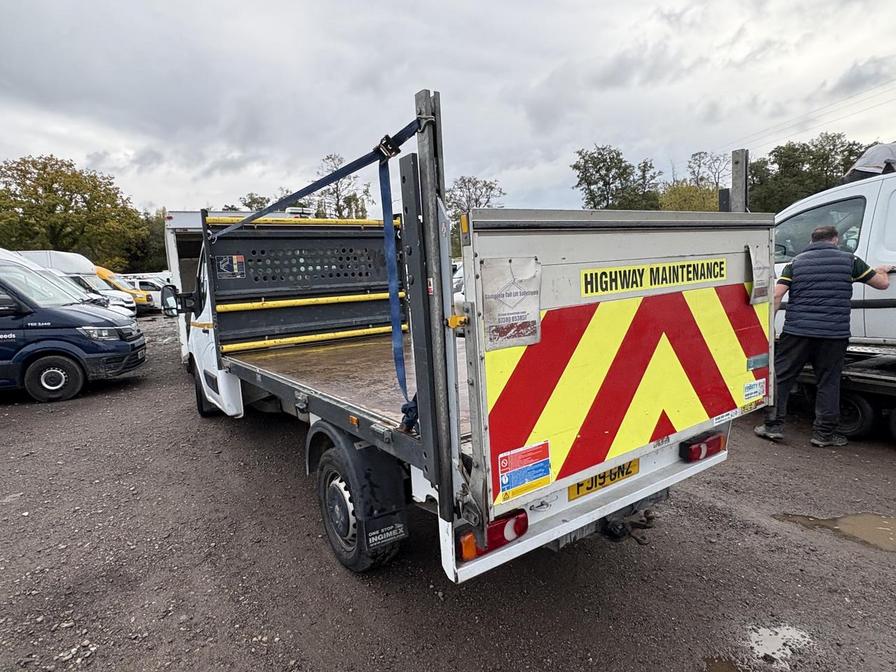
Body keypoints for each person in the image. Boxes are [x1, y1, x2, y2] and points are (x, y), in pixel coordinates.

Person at [754, 225, 892, 447]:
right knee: (828, 382)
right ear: (835, 240)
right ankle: (823, 435)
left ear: (812, 240)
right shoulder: (850, 261)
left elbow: (777, 294)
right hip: (833, 335)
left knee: (782, 377)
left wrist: (768, 328)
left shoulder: (795, 263)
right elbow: (882, 284)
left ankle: (773, 427)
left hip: (797, 332)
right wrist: (882, 270)